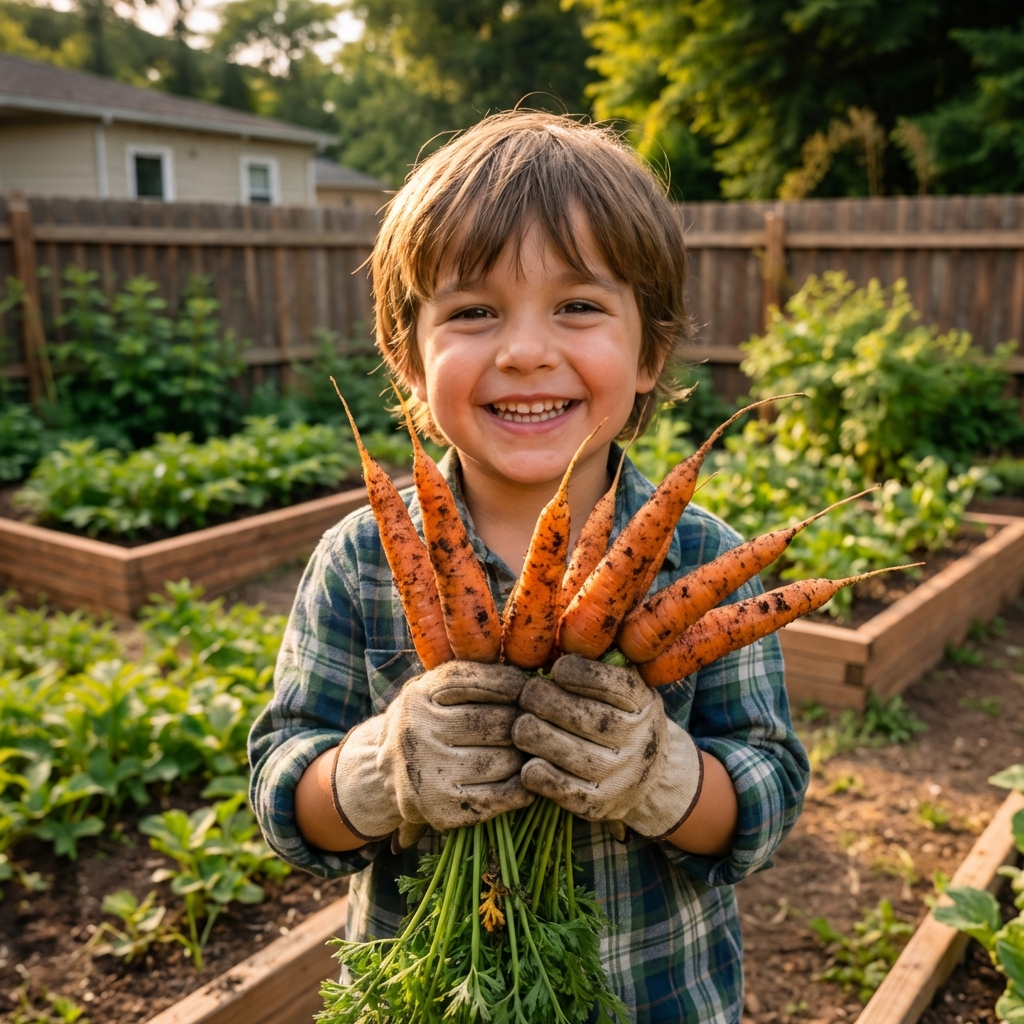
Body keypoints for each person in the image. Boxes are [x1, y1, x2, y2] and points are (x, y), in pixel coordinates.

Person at [249, 110, 809, 1023]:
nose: (523, 350)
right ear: (408, 360)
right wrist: (377, 770)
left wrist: (661, 778)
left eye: (579, 306)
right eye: (472, 312)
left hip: (653, 998)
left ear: (649, 353)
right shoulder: (358, 562)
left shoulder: (704, 555)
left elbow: (769, 799)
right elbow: (284, 794)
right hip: (434, 999)